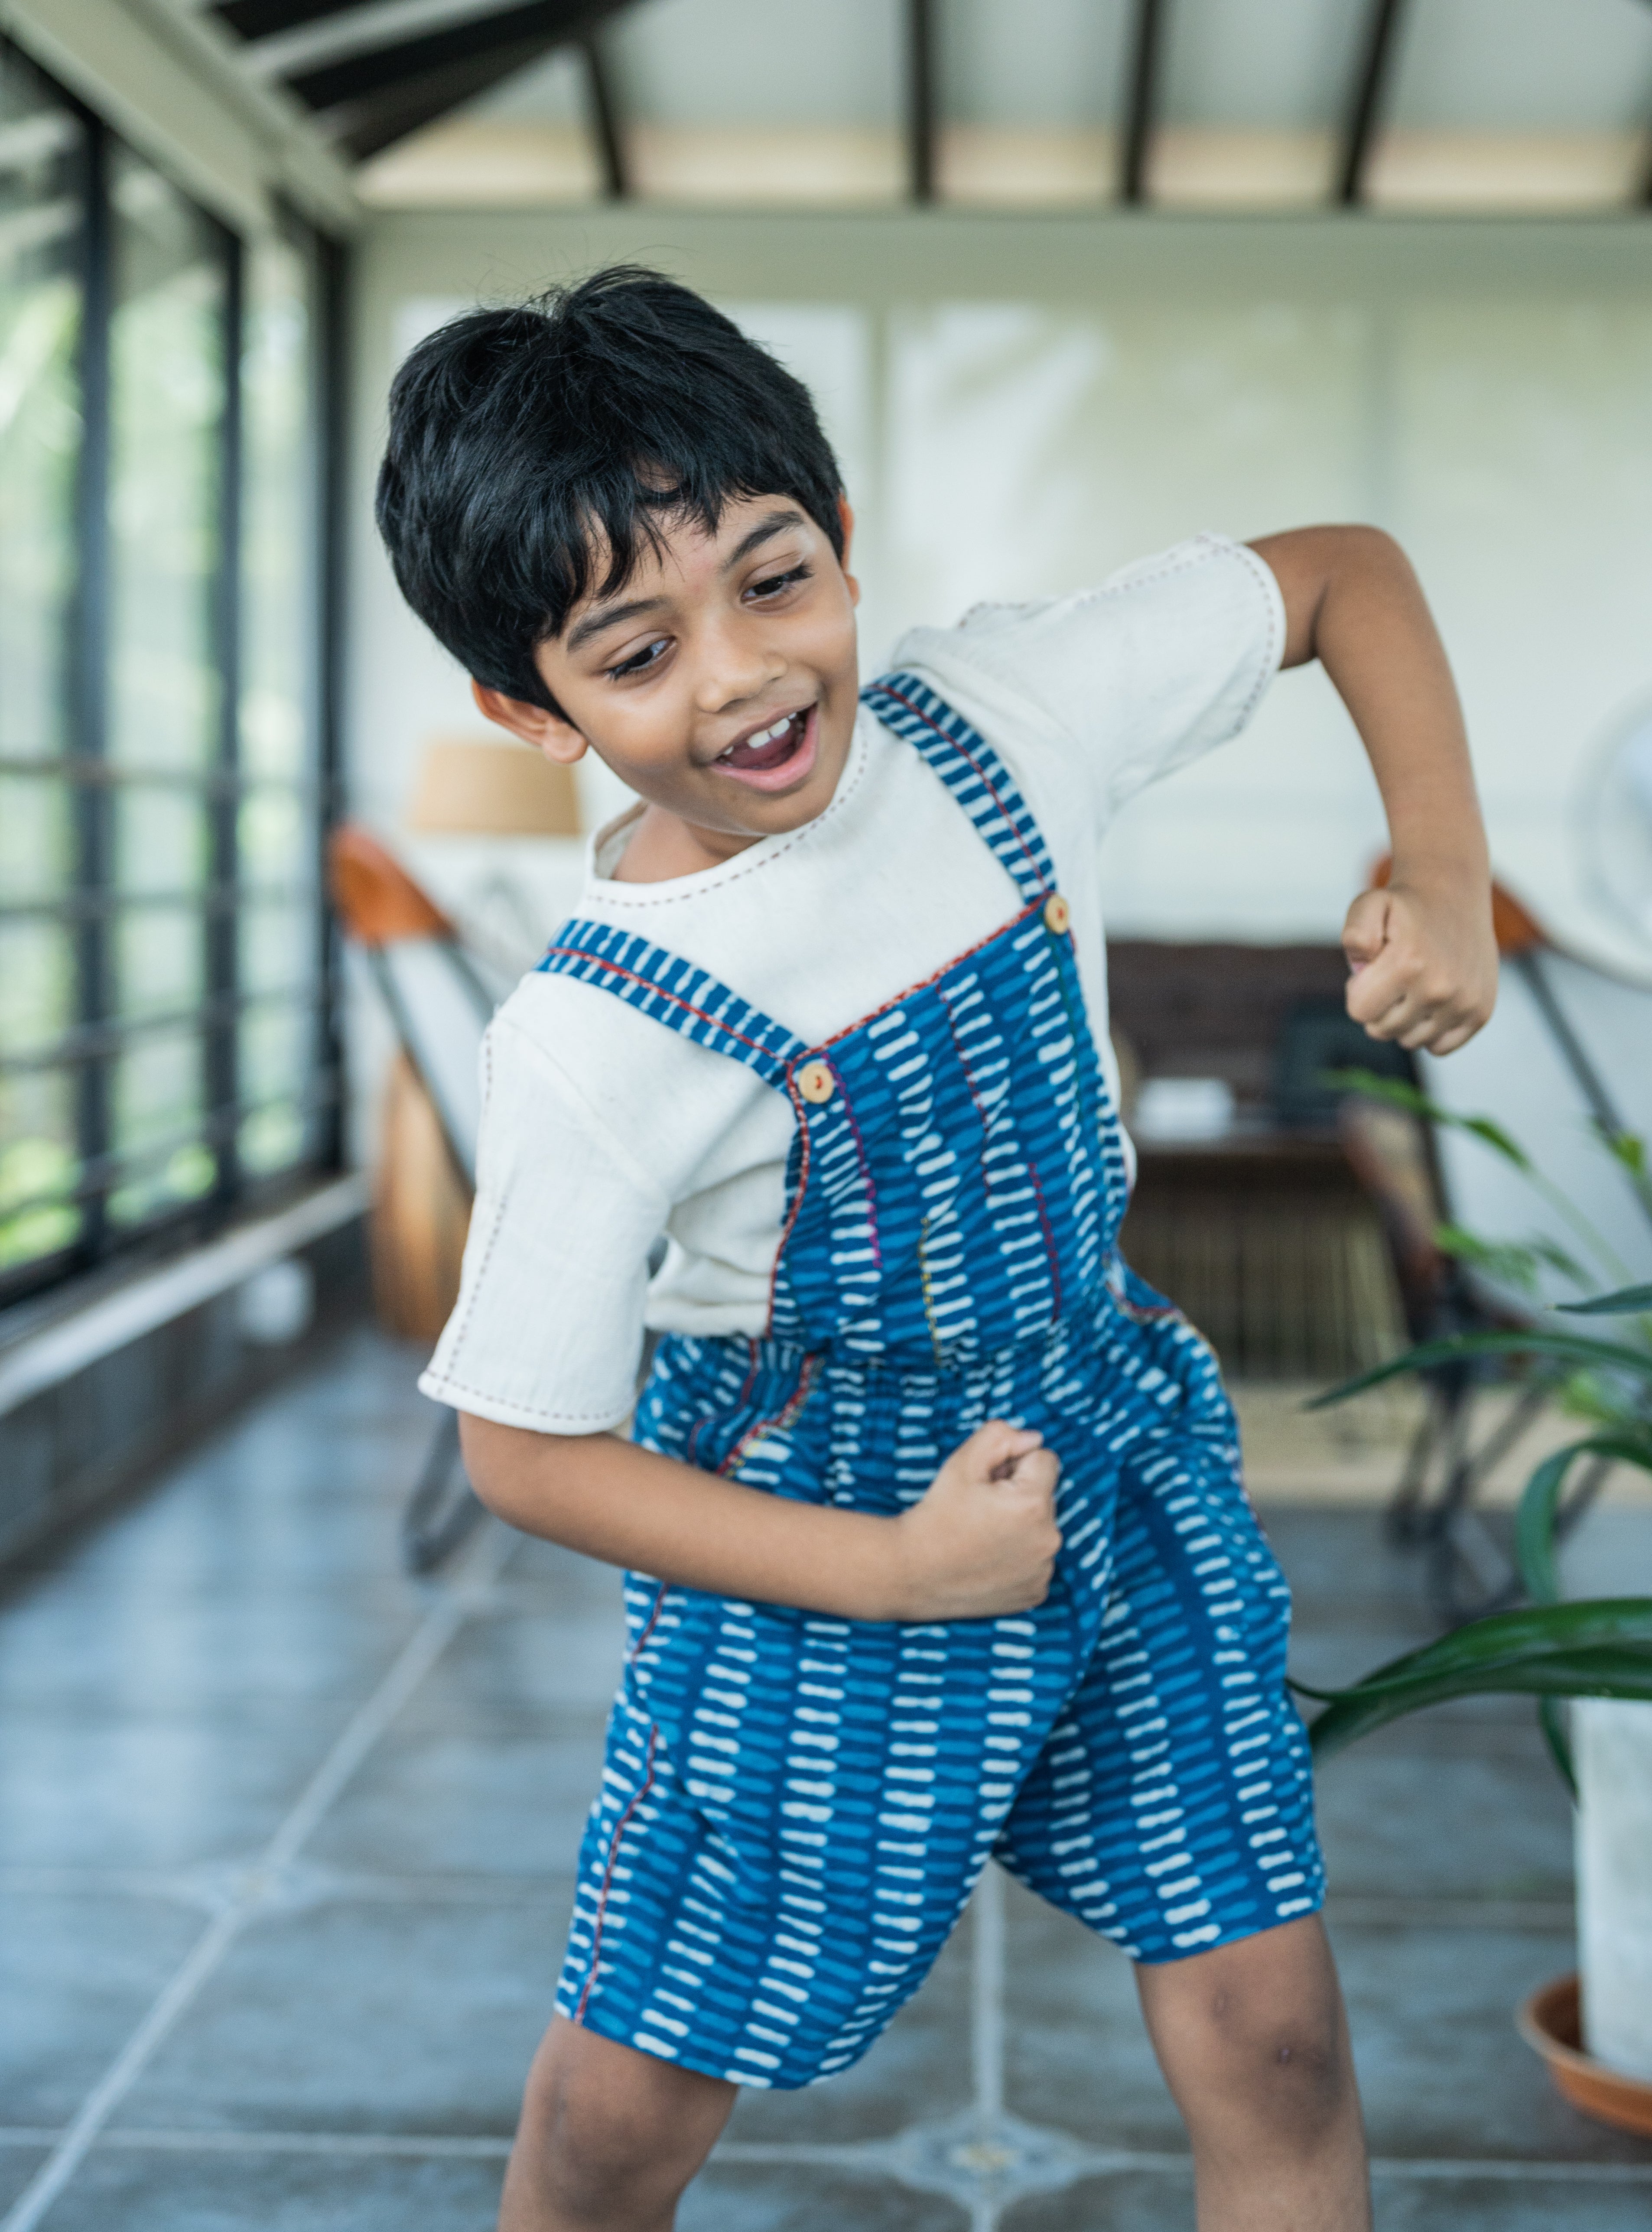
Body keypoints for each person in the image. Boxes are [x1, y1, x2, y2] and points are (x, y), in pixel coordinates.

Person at [376, 266, 1496, 2232]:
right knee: (624, 2118)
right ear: (523, 705)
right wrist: (899, 1568)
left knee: (1274, 2034)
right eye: (634, 648)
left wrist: (1438, 868)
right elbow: (521, 1454)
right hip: (809, 1551)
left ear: (841, 540)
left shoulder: (1001, 712)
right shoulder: (591, 1035)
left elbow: (1342, 576)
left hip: (1104, 1450)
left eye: (774, 577)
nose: (737, 673)